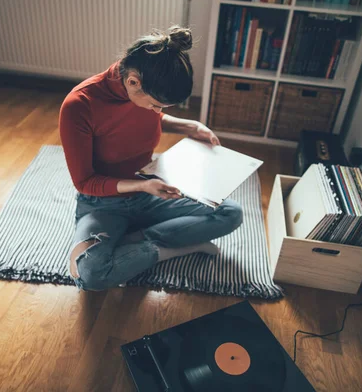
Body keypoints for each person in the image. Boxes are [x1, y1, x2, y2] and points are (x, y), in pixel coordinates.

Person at [59, 26, 243, 291]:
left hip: (150, 192)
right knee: (89, 273)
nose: (157, 112)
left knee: (230, 213)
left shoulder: (142, 86)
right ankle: (171, 247)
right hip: (103, 204)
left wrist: (190, 126)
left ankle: (135, 241)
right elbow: (84, 181)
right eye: (156, 105)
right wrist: (142, 185)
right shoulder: (80, 105)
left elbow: (146, 116)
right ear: (133, 81)